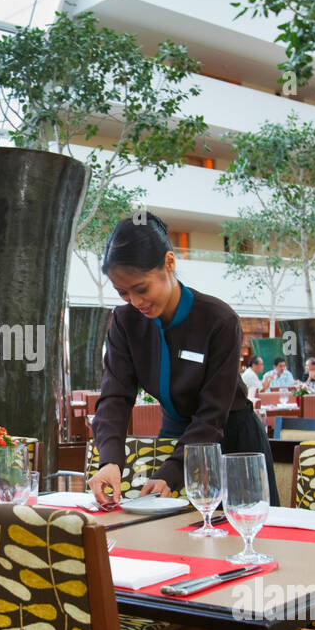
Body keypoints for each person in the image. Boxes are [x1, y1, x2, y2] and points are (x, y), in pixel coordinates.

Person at [87, 213, 280, 506]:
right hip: (176, 438)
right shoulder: (125, 321)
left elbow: (212, 412)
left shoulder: (218, 320)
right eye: (123, 292)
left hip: (233, 442)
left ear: (169, 262)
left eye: (141, 289)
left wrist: (173, 471)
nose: (135, 302)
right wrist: (109, 460)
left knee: (246, 538)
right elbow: (115, 395)